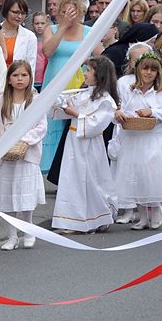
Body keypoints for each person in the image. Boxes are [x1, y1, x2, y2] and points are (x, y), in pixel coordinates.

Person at [113, 53, 162, 230]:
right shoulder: (130, 89)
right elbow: (121, 111)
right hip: (133, 138)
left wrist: (152, 111)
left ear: (158, 72)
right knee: (137, 177)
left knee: (153, 176)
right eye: (145, 68)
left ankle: (156, 208)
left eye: (153, 69)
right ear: (138, 70)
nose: (148, 73)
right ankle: (143, 216)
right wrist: (121, 115)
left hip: (153, 139)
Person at [50, 56, 118, 234]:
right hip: (73, 141)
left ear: (99, 74)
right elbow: (64, 110)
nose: (85, 73)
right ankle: (73, 220)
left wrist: (76, 113)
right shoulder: (82, 93)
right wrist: (59, 103)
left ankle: (94, 217)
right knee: (71, 179)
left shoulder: (105, 100)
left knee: (90, 180)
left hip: (89, 145)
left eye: (88, 70)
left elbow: (96, 125)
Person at [40, 0, 102, 172]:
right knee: (51, 122)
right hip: (54, 81)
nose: (70, 15)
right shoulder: (51, 29)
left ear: (81, 12)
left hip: (78, 83)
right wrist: (63, 27)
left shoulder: (89, 32)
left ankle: (68, 169)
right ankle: (48, 167)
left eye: (73, 11)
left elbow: (100, 56)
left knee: (72, 122)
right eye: (65, 11)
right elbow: (48, 52)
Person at [0, 60, 47, 251]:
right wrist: (2, 141)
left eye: (24, 75)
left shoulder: (35, 100)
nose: (20, 79)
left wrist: (23, 140)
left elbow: (41, 127)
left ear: (30, 78)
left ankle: (28, 231)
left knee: (25, 193)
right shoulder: (0, 101)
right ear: (8, 79)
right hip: (6, 155)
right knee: (8, 195)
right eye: (15, 75)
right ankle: (12, 235)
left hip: (27, 153)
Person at [0, 0, 37, 73]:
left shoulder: (30, 37)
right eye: (15, 12)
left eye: (23, 13)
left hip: (18, 83)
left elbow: (31, 68)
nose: (19, 16)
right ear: (6, 11)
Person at [31, 12, 49, 89]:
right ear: (32, 25)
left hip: (45, 78)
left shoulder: (50, 39)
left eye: (42, 23)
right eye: (37, 23)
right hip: (32, 78)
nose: (39, 26)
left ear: (47, 24)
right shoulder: (30, 39)